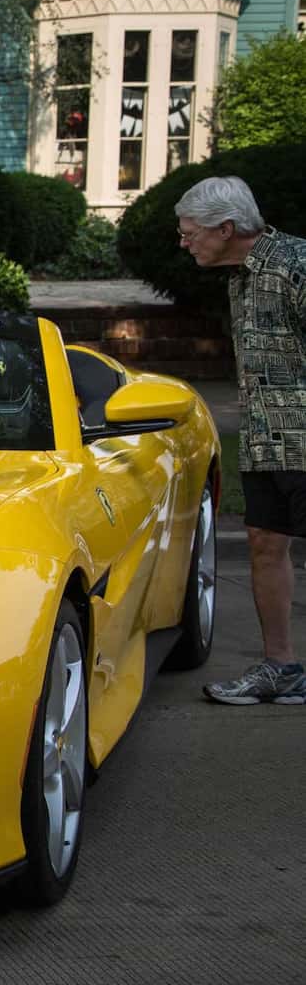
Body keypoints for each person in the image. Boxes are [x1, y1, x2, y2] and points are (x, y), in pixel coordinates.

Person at [175, 176, 305, 705]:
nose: (184, 242)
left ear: (226, 229)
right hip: (266, 441)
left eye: (191, 233)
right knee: (264, 543)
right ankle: (284, 669)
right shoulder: (241, 277)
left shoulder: (296, 265)